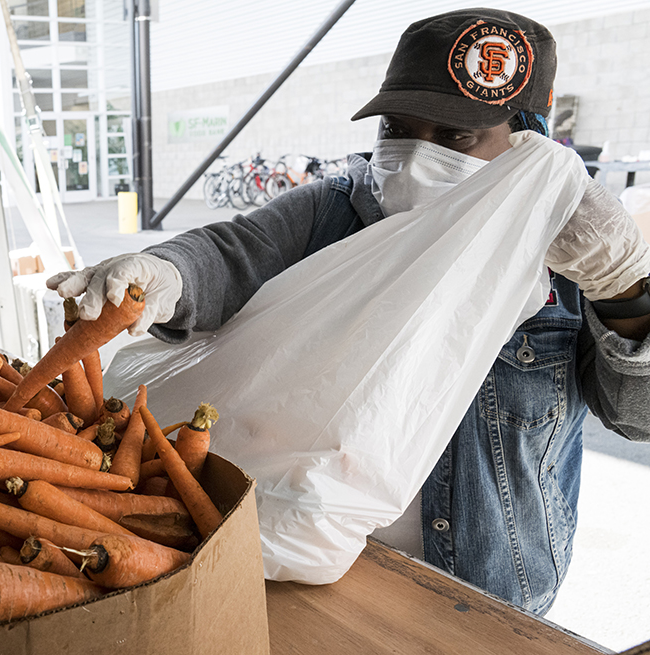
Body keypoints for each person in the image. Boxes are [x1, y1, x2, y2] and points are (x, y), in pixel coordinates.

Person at [47, 9, 650, 616]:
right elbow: (233, 253)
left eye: (456, 136)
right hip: (309, 568)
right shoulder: (336, 211)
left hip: (492, 585)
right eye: (397, 128)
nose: (415, 159)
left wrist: (627, 291)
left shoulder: (576, 252)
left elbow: (638, 419)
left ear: (529, 143)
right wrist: (168, 274)